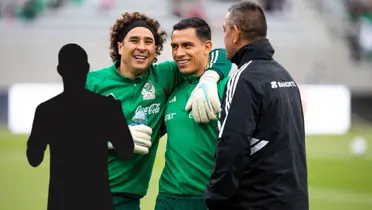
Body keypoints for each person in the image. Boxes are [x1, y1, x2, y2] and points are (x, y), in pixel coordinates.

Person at [85, 12, 231, 210]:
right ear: (120, 47)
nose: (142, 47)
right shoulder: (91, 82)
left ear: (155, 50)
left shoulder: (166, 76)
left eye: (149, 42)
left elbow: (218, 54)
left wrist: (210, 77)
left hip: (128, 200)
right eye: (134, 40)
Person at [205, 1, 309, 210]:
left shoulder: (243, 78)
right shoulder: (284, 75)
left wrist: (215, 198)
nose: (223, 38)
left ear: (235, 34)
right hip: (294, 200)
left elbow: (232, 145)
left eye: (225, 31)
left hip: (257, 201)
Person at [26, 43, 134, 210]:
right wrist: (117, 117)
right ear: (87, 68)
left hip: (60, 202)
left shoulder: (45, 111)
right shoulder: (107, 107)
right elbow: (126, 150)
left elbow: (34, 159)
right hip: (98, 202)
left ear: (59, 70)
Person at [155, 17, 231, 210]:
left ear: (207, 47)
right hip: (167, 198)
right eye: (174, 46)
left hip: (208, 198)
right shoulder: (173, 87)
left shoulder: (227, 87)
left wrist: (211, 78)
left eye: (187, 45)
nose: (179, 53)